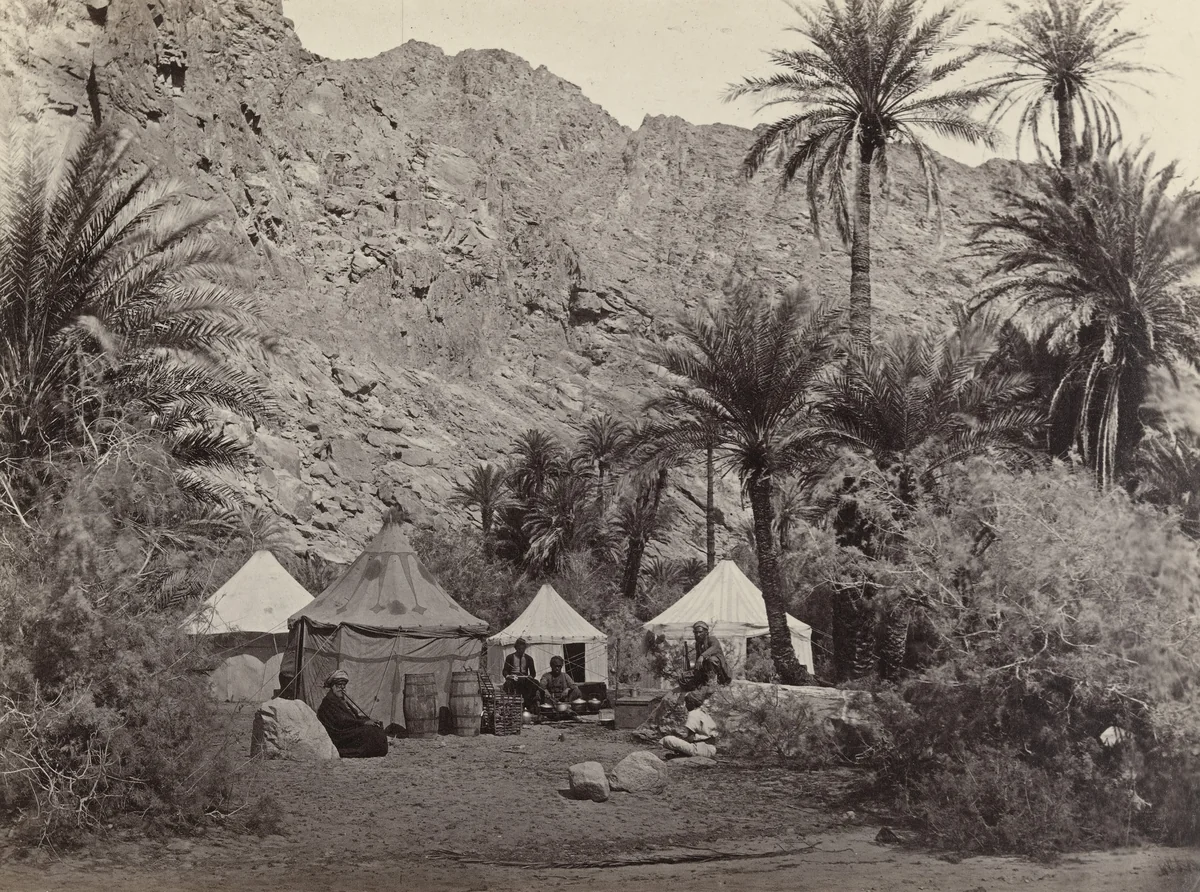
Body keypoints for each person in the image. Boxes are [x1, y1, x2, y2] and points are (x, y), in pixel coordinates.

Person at [316, 669, 389, 758]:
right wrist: (363, 722)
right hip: (339, 734)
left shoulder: (340, 699)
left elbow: (353, 717)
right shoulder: (329, 701)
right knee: (369, 732)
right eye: (339, 685)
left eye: (344, 685)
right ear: (332, 686)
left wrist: (368, 720)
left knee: (376, 727)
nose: (342, 688)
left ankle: (376, 751)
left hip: (347, 727)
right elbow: (341, 721)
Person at [660, 691, 719, 759]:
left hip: (701, 749)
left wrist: (680, 738)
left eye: (687, 702)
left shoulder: (693, 714)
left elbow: (690, 738)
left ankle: (683, 754)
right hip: (712, 749)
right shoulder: (704, 713)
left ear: (692, 703)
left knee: (667, 739)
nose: (686, 705)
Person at [681, 621, 731, 692]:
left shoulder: (712, 639)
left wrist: (702, 656)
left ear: (706, 633)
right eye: (696, 632)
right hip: (705, 671)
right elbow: (698, 660)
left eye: (700, 632)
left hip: (721, 673)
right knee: (686, 676)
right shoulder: (698, 644)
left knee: (711, 660)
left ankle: (713, 683)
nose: (698, 634)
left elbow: (714, 647)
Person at [503, 638, 540, 709]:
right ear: (516, 648)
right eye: (519, 649)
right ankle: (511, 703)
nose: (521, 651)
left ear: (525, 648)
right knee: (508, 684)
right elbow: (505, 671)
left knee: (535, 683)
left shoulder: (529, 658)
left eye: (523, 649)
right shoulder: (510, 657)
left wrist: (531, 676)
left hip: (525, 679)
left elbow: (533, 672)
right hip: (514, 679)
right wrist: (509, 676)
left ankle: (528, 703)